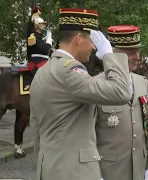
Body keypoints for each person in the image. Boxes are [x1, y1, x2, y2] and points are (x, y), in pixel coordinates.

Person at [29, 8, 131, 180]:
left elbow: (36, 128)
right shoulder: (70, 70)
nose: (93, 47)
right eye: (91, 41)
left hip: (51, 168)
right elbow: (121, 92)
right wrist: (109, 56)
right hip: (74, 172)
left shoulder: (43, 71)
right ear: (78, 38)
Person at [95, 25, 148, 180]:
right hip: (109, 171)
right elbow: (87, 136)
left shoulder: (143, 83)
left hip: (139, 169)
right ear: (113, 54)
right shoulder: (96, 85)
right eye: (130, 52)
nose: (137, 57)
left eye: (137, 51)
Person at [26, 6, 52, 76]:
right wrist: (49, 41)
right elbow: (45, 49)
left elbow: (48, 52)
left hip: (44, 62)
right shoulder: (32, 37)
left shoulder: (41, 38)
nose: (44, 25)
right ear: (37, 25)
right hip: (36, 64)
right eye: (43, 23)